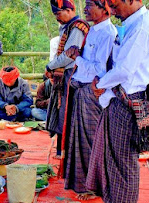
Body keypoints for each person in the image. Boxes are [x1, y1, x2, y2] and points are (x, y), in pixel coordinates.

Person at [85, 0, 149, 203]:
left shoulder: (143, 27)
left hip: (127, 100)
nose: (112, 11)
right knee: (112, 157)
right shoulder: (132, 22)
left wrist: (100, 84)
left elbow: (124, 70)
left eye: (115, 5)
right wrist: (104, 85)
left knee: (123, 162)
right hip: (117, 96)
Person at [61, 0, 116, 200]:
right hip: (82, 90)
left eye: (90, 4)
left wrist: (77, 58)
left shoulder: (108, 33)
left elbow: (99, 71)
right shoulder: (94, 30)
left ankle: (95, 187)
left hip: (92, 93)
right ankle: (85, 183)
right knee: (81, 140)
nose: (85, 8)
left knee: (92, 140)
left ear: (104, 9)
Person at [45, 0, 89, 157]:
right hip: (66, 75)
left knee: (67, 114)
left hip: (73, 75)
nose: (57, 17)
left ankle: (68, 152)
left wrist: (50, 66)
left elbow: (69, 56)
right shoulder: (67, 27)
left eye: (59, 13)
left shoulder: (77, 27)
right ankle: (62, 151)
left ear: (69, 10)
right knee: (62, 112)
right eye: (55, 14)